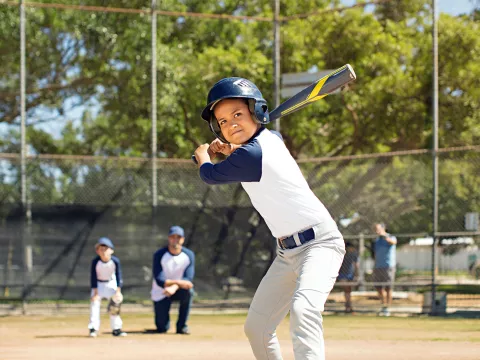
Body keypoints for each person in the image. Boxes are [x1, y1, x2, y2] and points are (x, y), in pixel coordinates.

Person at [194, 77, 345, 360]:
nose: (231, 124)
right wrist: (231, 149)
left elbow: (210, 174)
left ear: (257, 111)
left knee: (304, 310)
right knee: (257, 327)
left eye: (238, 114)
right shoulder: (269, 139)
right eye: (223, 122)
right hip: (287, 253)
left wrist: (203, 155)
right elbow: (250, 153)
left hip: (320, 244)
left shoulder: (252, 154)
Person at [151, 225, 195, 334]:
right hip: (162, 291)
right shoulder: (159, 254)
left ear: (183, 239)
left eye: (178, 237)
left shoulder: (188, 255)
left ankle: (182, 326)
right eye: (173, 237)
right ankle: (163, 324)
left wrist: (174, 287)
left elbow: (188, 279)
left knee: (189, 292)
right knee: (162, 329)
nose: (175, 240)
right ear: (168, 238)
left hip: (179, 290)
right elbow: (159, 279)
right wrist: (173, 285)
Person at [88, 237, 126, 337]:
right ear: (97, 251)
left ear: (111, 250)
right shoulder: (95, 262)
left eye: (106, 249)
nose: (104, 251)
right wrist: (95, 293)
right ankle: (93, 328)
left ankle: (116, 329)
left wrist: (118, 291)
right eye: (101, 249)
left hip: (111, 284)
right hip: (98, 285)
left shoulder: (115, 261)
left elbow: (118, 276)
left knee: (115, 305)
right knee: (94, 304)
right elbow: (93, 277)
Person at [372, 223, 397, 317]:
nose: (376, 231)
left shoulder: (391, 237)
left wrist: (385, 236)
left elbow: (393, 242)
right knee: (378, 287)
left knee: (388, 287)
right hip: (378, 266)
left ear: (383, 228)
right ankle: (383, 305)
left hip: (388, 266)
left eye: (377, 229)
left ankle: (388, 308)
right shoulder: (376, 240)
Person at [336, 241, 359, 313]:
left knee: (348, 290)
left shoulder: (353, 255)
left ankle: (348, 306)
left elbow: (356, 265)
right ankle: (348, 306)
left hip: (350, 275)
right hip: (342, 274)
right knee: (346, 289)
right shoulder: (341, 254)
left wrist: (356, 275)